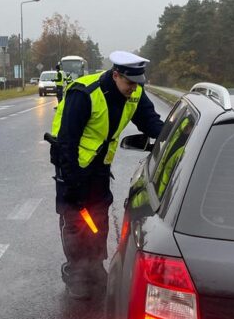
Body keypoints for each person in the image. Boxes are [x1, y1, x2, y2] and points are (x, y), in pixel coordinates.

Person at [48, 51, 164, 300]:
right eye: (129, 83)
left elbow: (152, 123)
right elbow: (67, 142)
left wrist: (176, 134)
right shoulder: (85, 93)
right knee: (75, 220)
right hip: (71, 165)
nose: (134, 89)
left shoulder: (135, 94)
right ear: (115, 75)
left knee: (98, 219)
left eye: (138, 84)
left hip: (100, 167)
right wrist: (73, 183)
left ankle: (94, 266)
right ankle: (76, 273)